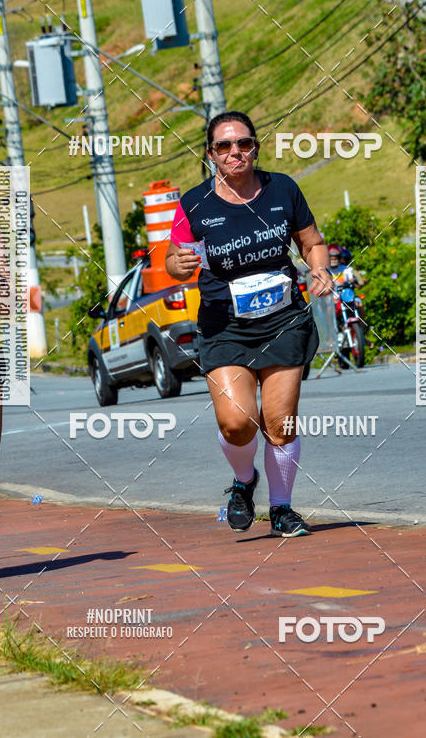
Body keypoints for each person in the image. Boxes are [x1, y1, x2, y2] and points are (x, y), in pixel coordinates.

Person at [165, 111, 332, 538]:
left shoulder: (283, 189)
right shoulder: (194, 204)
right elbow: (174, 259)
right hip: (225, 328)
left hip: (283, 321)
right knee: (237, 422)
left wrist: (319, 269)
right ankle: (244, 482)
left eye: (243, 143)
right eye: (224, 146)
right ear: (211, 155)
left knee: (280, 422)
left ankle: (281, 509)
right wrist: (179, 263)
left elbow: (311, 242)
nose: (235, 152)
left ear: (255, 147)